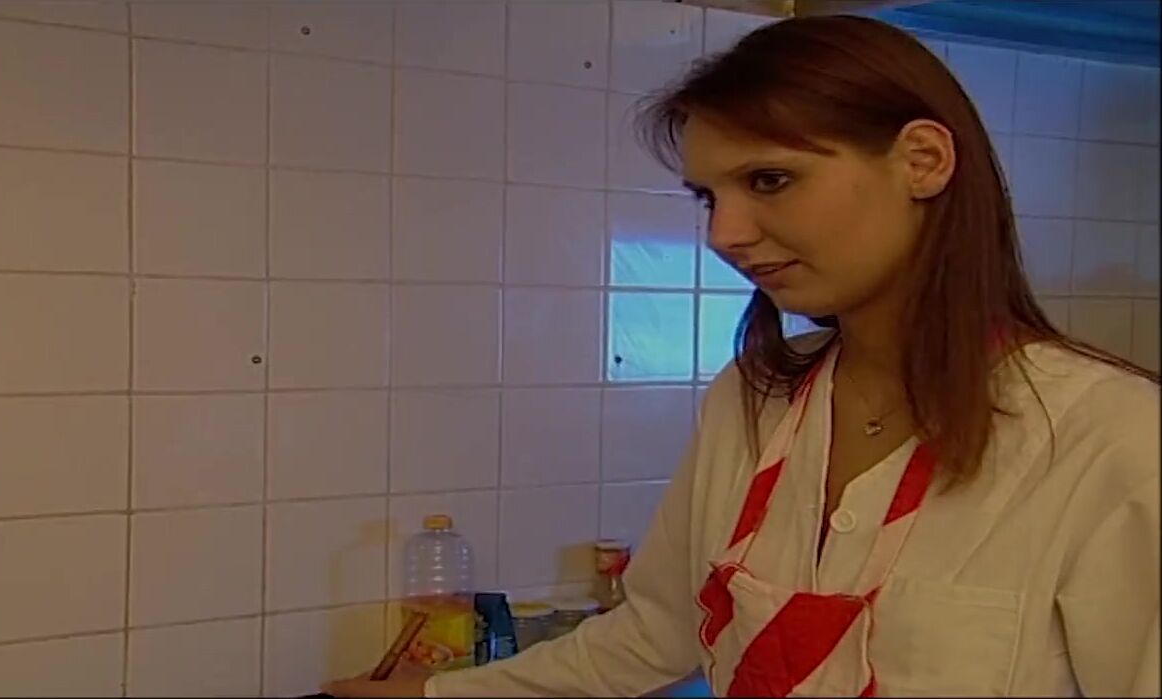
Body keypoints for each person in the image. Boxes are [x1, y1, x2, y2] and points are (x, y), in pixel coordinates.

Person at [325, 14, 1160, 698]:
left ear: (923, 161)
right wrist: (442, 694)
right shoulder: (756, 398)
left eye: (768, 180)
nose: (724, 234)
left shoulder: (1108, 435)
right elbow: (658, 632)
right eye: (708, 196)